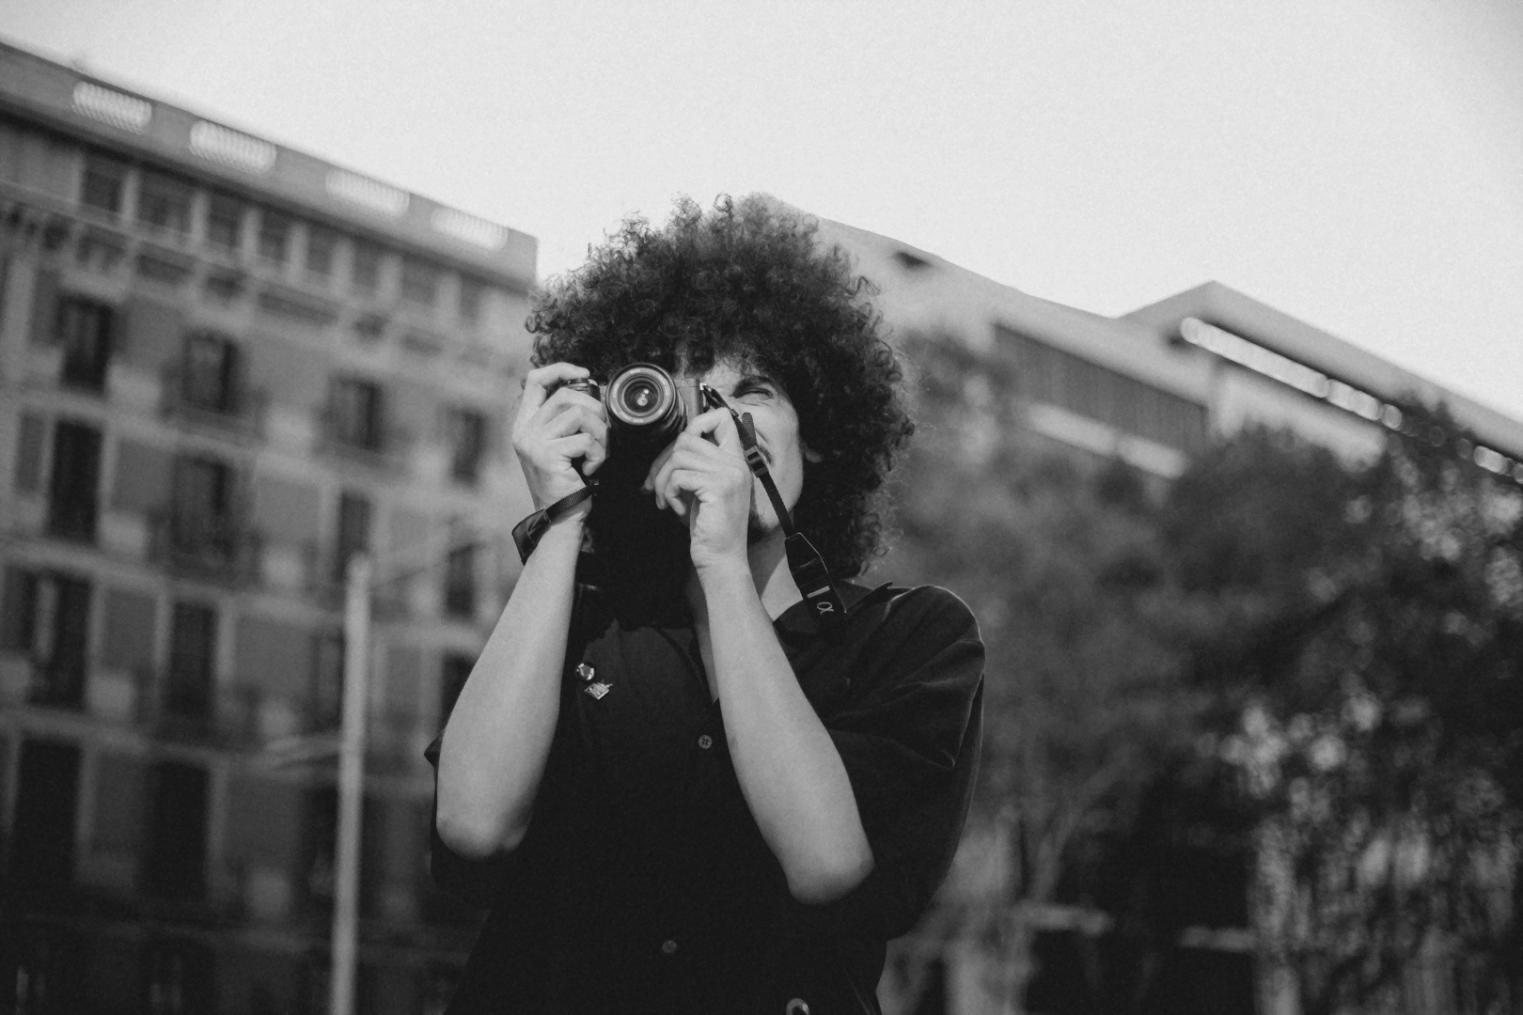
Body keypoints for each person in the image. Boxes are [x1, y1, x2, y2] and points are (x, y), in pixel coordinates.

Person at [427, 195, 984, 1015]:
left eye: (751, 390)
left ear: (820, 430)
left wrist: (721, 561)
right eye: (687, 400)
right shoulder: (579, 625)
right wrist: (562, 520)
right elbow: (472, 827)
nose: (720, 425)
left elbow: (828, 865)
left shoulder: (910, 636)